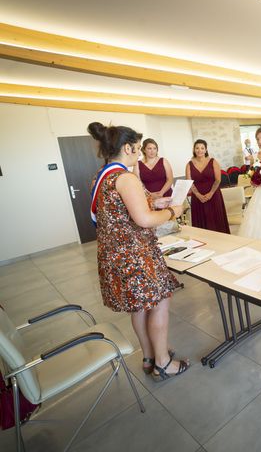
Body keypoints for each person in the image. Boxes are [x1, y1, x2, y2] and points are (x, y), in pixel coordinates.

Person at [87, 122, 189, 381]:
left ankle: (148, 357)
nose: (139, 152)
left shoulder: (103, 177)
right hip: (136, 255)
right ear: (127, 147)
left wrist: (154, 201)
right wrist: (172, 211)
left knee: (139, 308)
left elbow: (120, 211)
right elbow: (143, 220)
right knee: (160, 301)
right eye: (137, 146)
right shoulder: (126, 177)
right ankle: (163, 363)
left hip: (117, 256)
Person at [186, 139, 230, 234]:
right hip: (198, 198)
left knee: (216, 220)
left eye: (202, 148)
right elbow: (189, 182)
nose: (199, 150)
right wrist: (198, 195)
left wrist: (210, 193)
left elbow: (218, 179)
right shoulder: (189, 165)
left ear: (206, 150)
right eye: (197, 148)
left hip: (214, 195)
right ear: (194, 150)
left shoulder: (213, 161)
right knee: (201, 223)